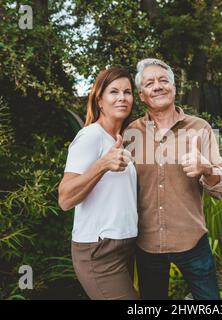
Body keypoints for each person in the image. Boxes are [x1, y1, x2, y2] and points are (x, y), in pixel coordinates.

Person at [124, 58, 222, 300]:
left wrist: (206, 168)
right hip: (147, 244)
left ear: (174, 87)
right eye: (150, 83)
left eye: (163, 80)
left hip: (192, 242)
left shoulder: (200, 128)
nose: (158, 86)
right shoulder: (130, 133)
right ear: (142, 95)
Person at [58, 67, 138, 300]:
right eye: (114, 91)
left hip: (125, 245)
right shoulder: (90, 136)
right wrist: (102, 165)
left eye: (127, 92)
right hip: (99, 250)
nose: (122, 98)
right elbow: (65, 198)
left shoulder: (121, 140)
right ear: (100, 101)